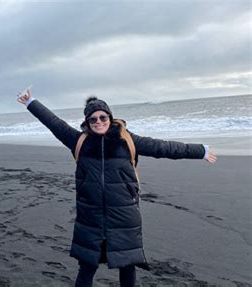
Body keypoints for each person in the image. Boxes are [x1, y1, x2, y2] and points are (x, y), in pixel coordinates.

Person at [17, 90, 217, 287]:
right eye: (93, 119)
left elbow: (163, 147)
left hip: (124, 215)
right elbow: (53, 122)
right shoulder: (79, 141)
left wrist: (200, 151)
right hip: (90, 216)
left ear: (110, 118)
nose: (98, 122)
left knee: (127, 265)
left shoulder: (127, 140)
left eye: (103, 117)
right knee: (87, 266)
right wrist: (30, 102)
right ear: (87, 123)